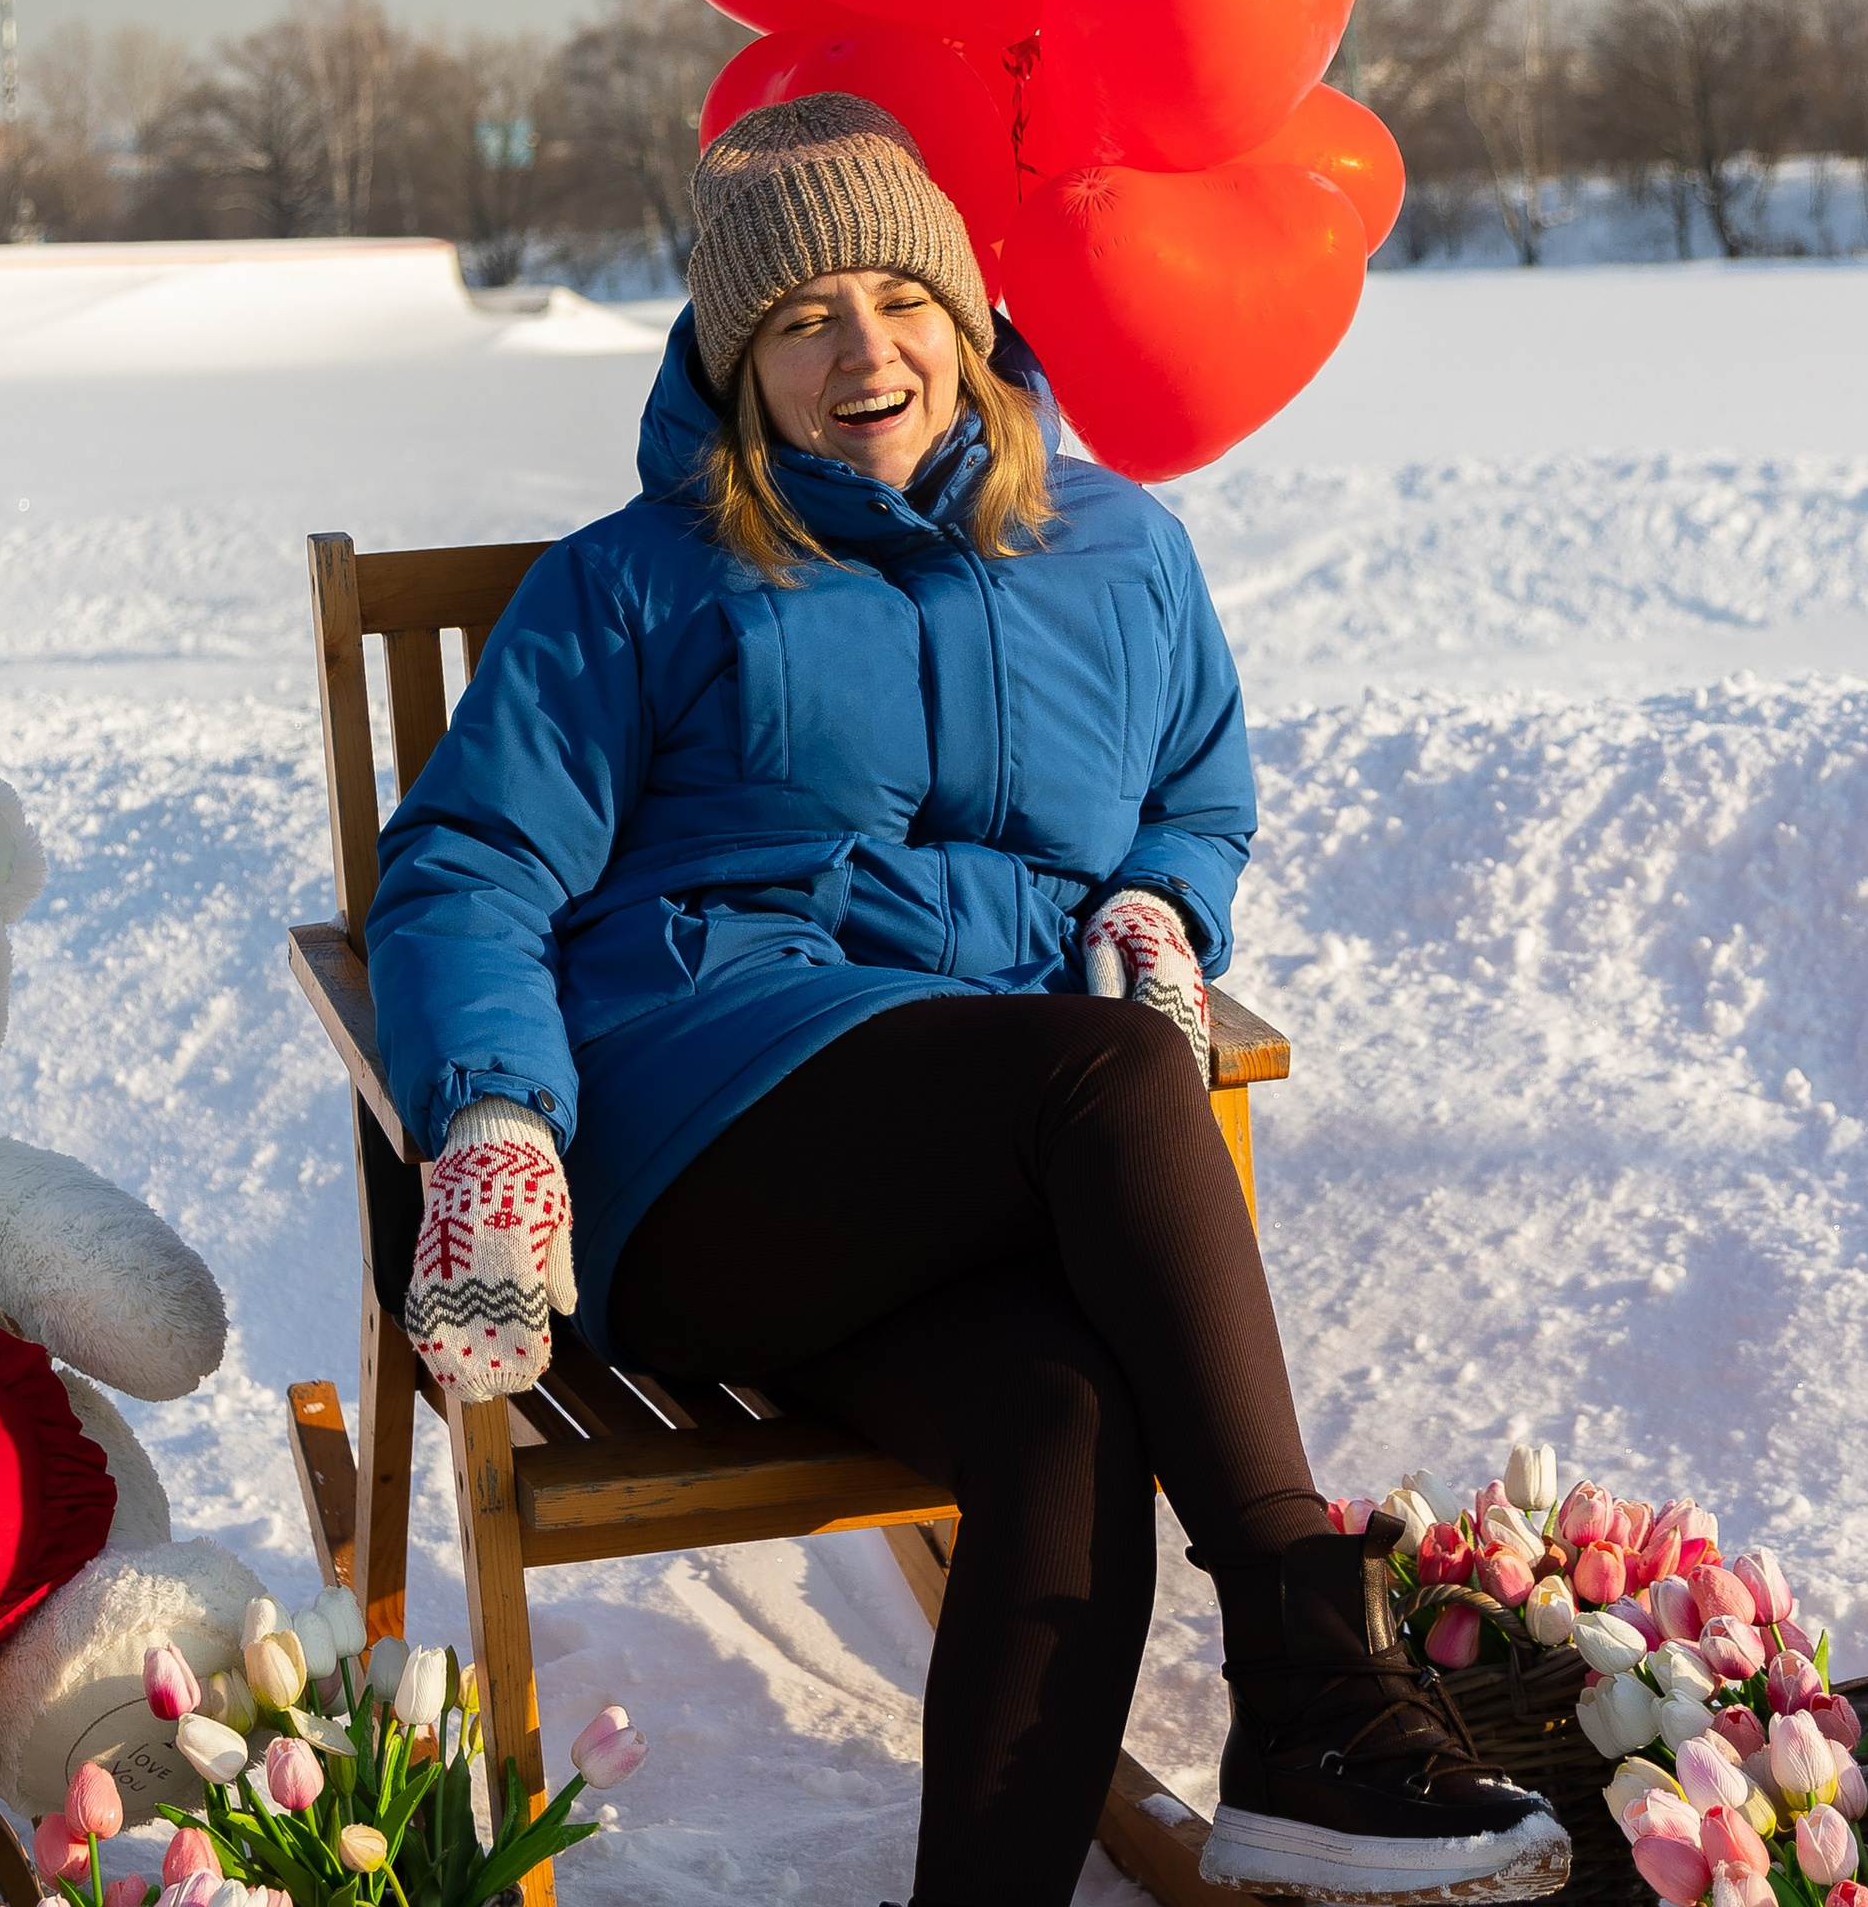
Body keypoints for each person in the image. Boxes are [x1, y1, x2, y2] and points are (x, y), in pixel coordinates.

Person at [366, 94, 1566, 1907]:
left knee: (1065, 1418)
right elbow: (469, 867)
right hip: (709, 1141)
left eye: (900, 300)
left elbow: (1197, 791)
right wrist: (498, 1113)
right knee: (1102, 1077)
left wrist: (1167, 902)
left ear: (968, 313)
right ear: (732, 364)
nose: (866, 352)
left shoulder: (1119, 550)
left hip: (969, 1154)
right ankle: (1318, 1689)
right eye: (799, 321)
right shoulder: (634, 582)